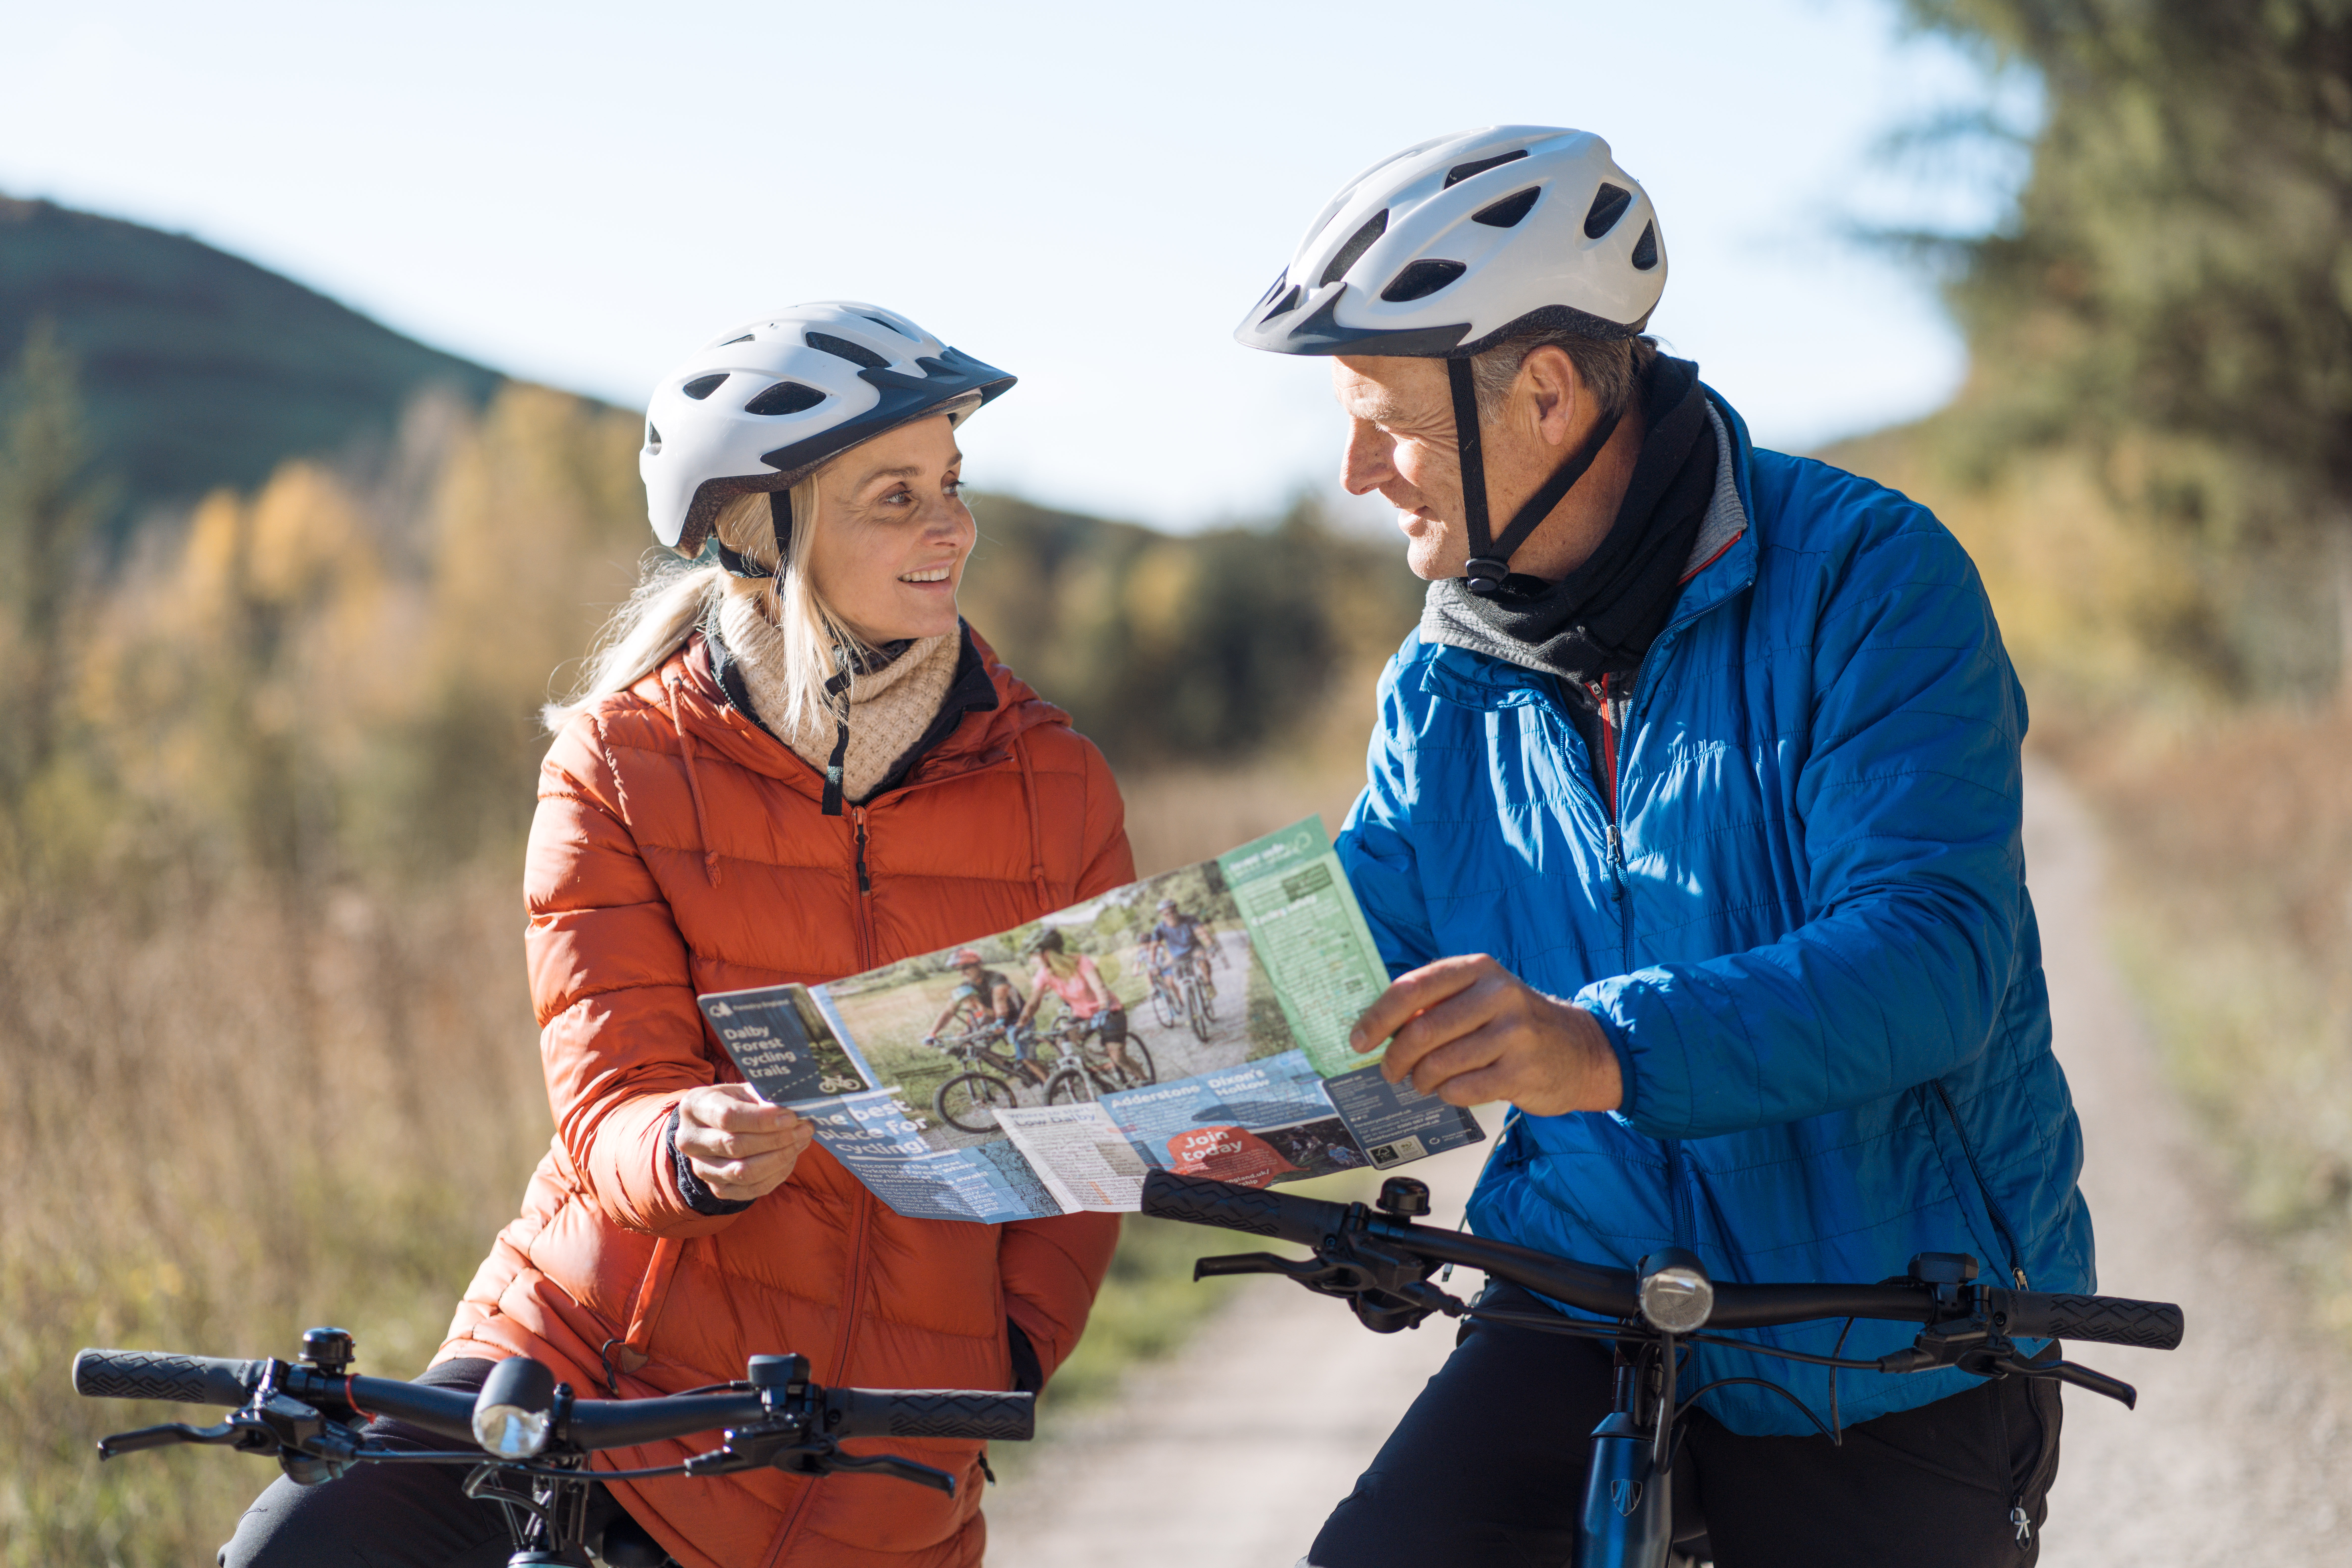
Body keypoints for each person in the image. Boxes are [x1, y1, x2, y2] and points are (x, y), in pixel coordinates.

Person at [1235, 128, 2092, 1568]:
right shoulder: (1444, 681)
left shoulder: (1872, 583)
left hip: (1889, 1319)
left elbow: (1935, 956)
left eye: (1387, 419)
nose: (1356, 471)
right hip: (1581, 1273)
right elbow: (1361, 953)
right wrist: (1127, 1055)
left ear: (1550, 391)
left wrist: (1599, 1048)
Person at [220, 302, 1133, 1568]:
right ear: (765, 532)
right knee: (299, 1551)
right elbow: (610, 1096)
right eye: (895, 495)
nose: (952, 525)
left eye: (952, 484)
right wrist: (687, 1148)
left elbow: (1085, 1133)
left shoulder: (1056, 785)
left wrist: (1012, 1351)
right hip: (590, 1360)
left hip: (871, 1443)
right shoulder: (619, 762)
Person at [1013, 928, 1145, 1083]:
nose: (1032, 961)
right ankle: (1088, 1072)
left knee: (1118, 1057)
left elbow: (1099, 987)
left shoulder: (1081, 962)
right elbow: (1034, 1002)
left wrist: (1103, 1008)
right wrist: (1021, 1024)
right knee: (1064, 1041)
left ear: (1047, 953)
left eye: (1034, 955)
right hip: (1082, 1015)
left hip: (1109, 1011)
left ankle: (1144, 1078)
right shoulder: (1045, 974)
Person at [925, 949, 1037, 1082]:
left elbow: (1000, 1001)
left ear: (978, 965)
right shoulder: (966, 986)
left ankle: (1052, 1084)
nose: (962, 973)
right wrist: (932, 1033)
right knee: (975, 1046)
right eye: (959, 970)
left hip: (1018, 1019)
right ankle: (1012, 1069)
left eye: (966, 968)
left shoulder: (997, 979)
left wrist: (1000, 1020)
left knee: (1027, 1059)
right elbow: (948, 1012)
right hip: (994, 1022)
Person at [1143, 896, 1220, 1004]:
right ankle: (1189, 1002)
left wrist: (1210, 947)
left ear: (1177, 911)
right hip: (1177, 955)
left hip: (1194, 948)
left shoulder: (1189, 919)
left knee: (1202, 961)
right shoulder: (1160, 928)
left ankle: (1208, 984)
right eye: (1166, 914)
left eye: (1173, 912)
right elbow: (1153, 948)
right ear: (1162, 915)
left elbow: (1202, 933)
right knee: (1179, 980)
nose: (1170, 916)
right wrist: (1152, 963)